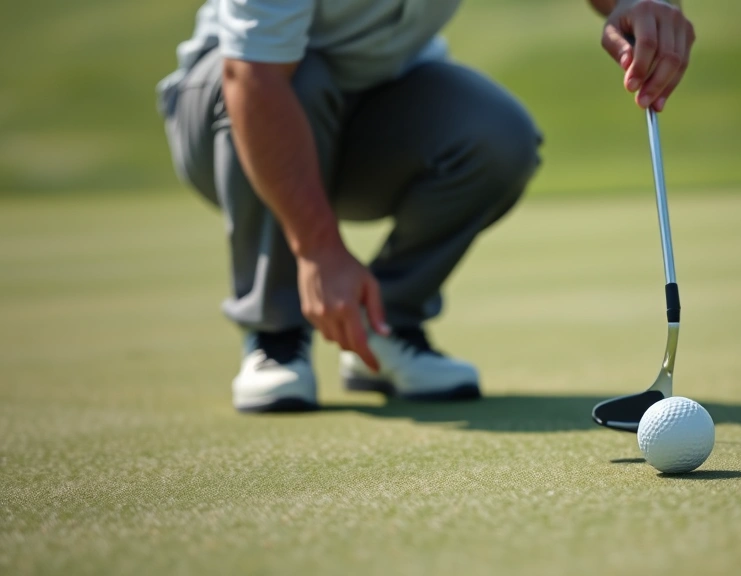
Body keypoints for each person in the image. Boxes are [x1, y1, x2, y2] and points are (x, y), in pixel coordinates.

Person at [158, 0, 695, 412]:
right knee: (302, 70)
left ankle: (382, 329)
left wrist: (638, 2)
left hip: (376, 106)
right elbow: (251, 78)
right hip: (230, 116)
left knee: (497, 136)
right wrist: (319, 248)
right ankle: (274, 336)